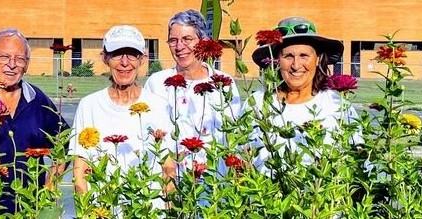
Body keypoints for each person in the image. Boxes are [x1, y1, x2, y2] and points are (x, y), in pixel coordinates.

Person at [0, 28, 68, 213]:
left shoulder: (37, 99)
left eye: (20, 59)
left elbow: (63, 142)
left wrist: (50, 187)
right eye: (4, 57)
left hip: (28, 209)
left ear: (27, 64)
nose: (12, 65)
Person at [69, 25, 173, 210]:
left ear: (142, 59)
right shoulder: (89, 105)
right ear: (105, 58)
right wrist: (87, 213)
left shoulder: (159, 106)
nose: (125, 62)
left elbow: (168, 168)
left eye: (132, 54)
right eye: (117, 54)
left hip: (149, 212)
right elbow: (80, 169)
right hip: (102, 211)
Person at [249, 17, 361, 175]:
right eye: (288, 56)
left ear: (318, 59)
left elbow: (359, 159)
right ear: (276, 60)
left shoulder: (337, 104)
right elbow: (240, 156)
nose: (296, 65)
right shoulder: (257, 103)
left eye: (304, 55)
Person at [142, 9, 241, 174]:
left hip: (215, 181)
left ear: (202, 41)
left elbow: (234, 138)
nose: (180, 46)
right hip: (171, 179)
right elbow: (148, 132)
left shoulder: (223, 83)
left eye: (187, 39)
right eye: (173, 40)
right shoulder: (157, 83)